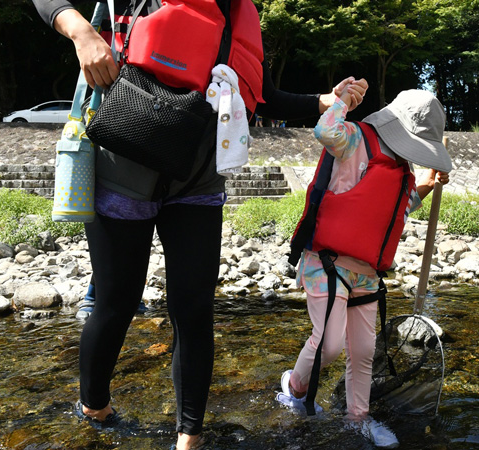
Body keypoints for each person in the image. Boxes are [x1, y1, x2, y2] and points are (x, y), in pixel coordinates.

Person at [31, 1, 367, 449]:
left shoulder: (239, 13)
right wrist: (81, 32)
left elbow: (263, 93)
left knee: (193, 310)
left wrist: (325, 100)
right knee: (117, 301)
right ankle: (94, 408)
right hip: (123, 165)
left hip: (198, 180)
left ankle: (189, 436)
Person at [277, 88, 452, 449]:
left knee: (363, 350)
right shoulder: (356, 139)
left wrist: (429, 186)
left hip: (366, 274)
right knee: (329, 344)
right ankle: (294, 387)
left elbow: (397, 209)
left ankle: (358, 417)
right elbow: (325, 132)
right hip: (326, 262)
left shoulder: (403, 170)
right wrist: (341, 102)